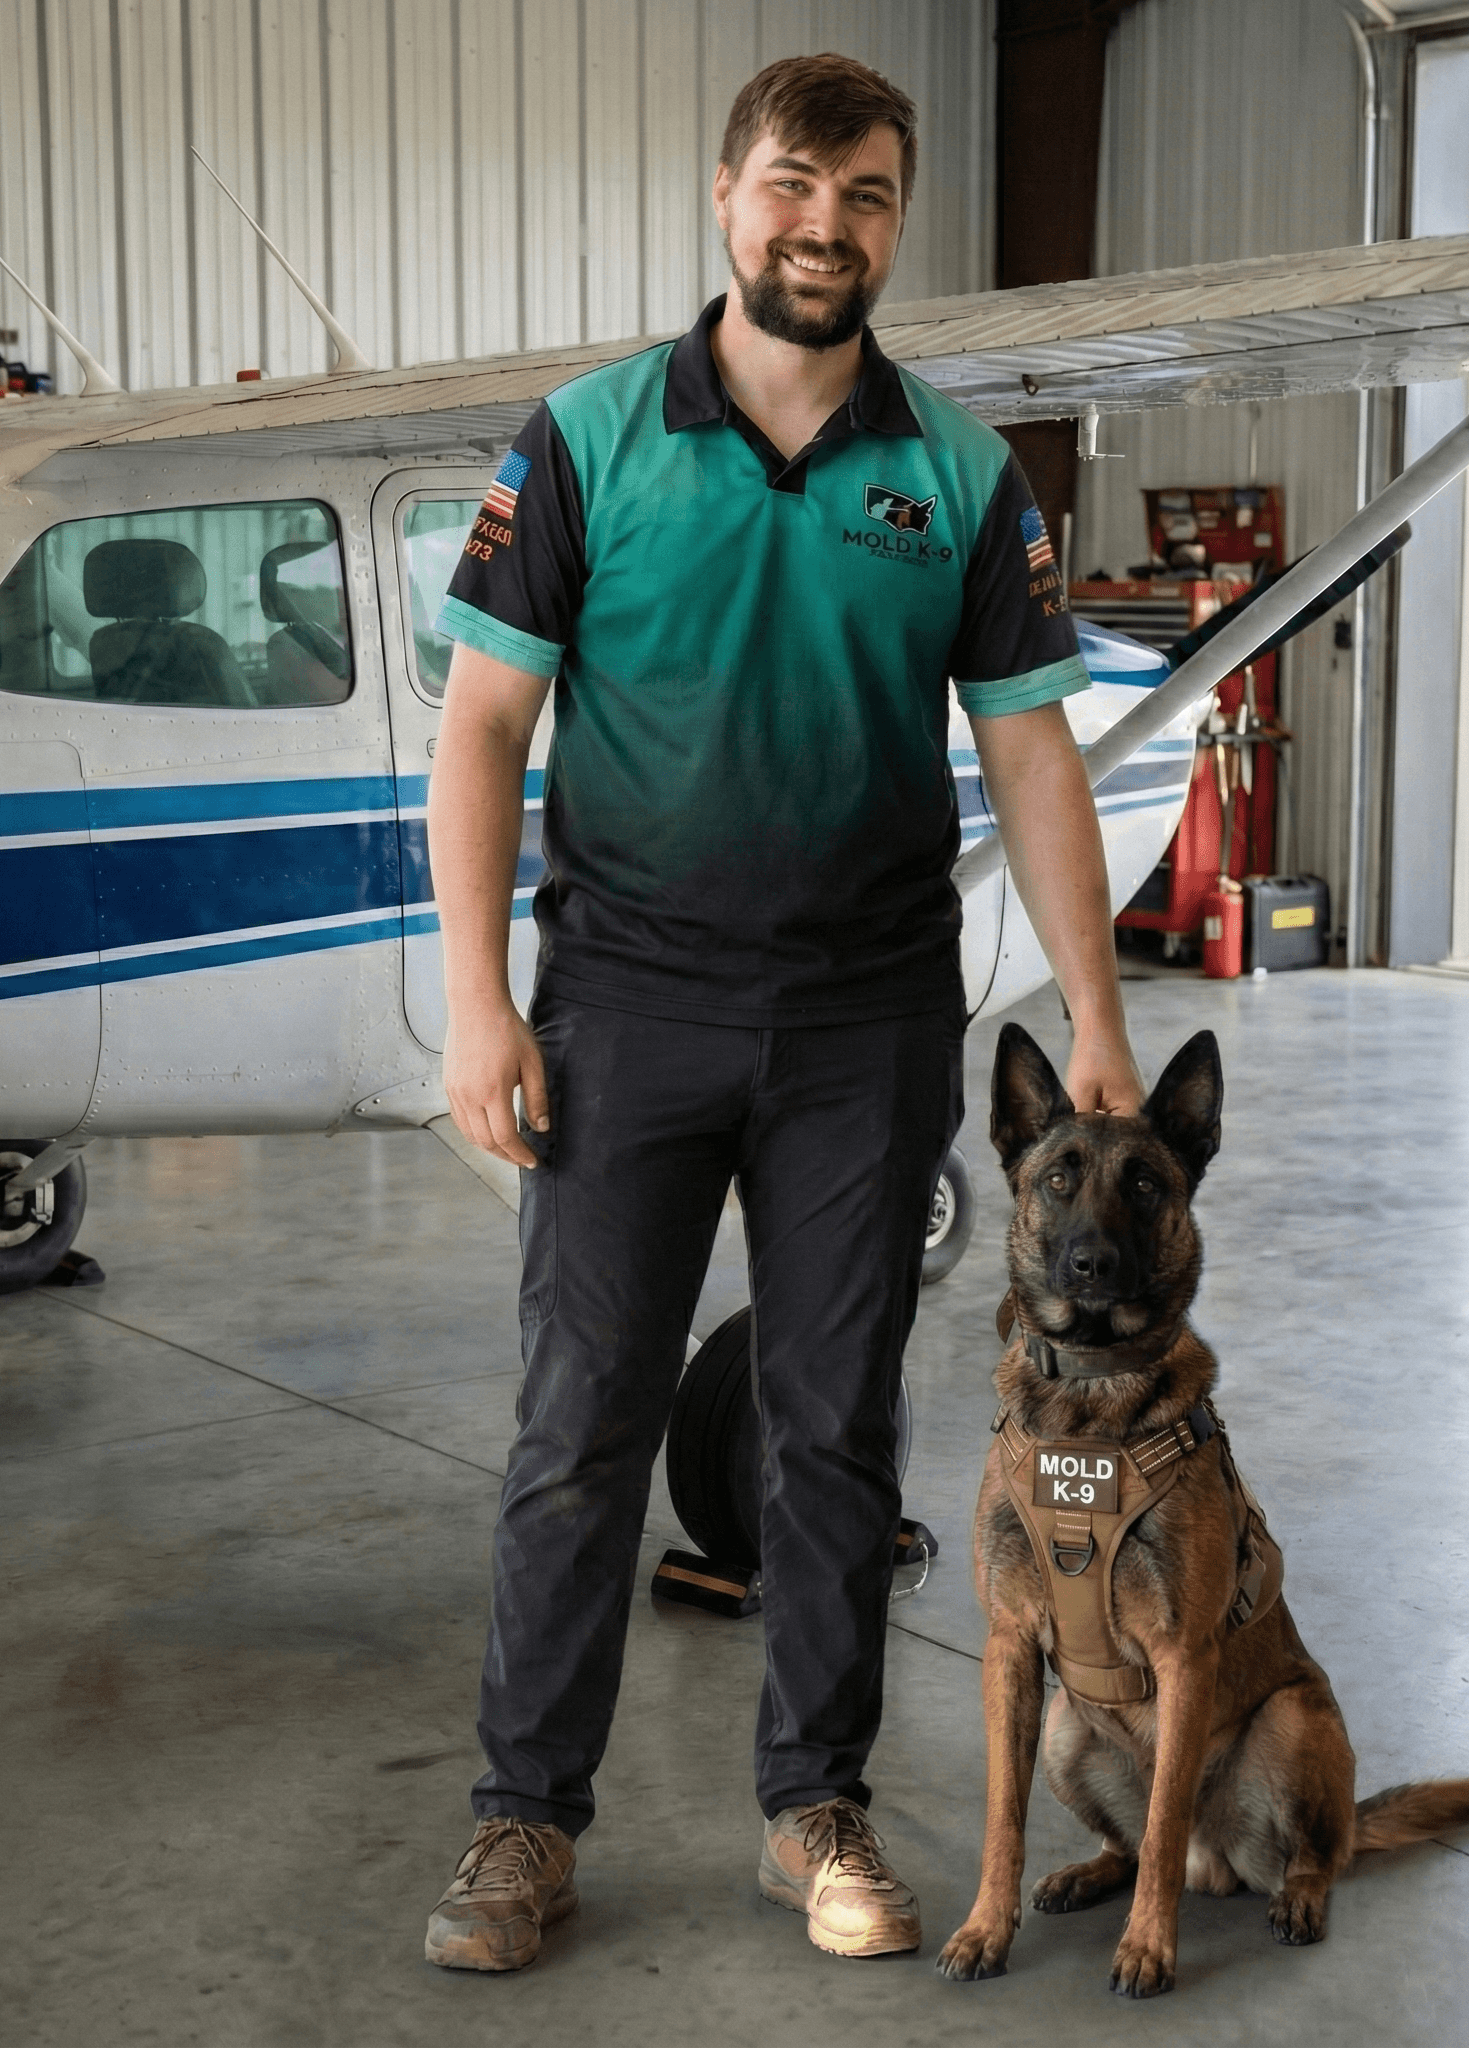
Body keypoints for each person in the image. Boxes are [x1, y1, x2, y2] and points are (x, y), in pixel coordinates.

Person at [422, 51, 1144, 1974]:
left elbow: (1034, 755)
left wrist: (1094, 1010)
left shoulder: (960, 475)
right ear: (726, 198)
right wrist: (480, 1005)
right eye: (794, 185)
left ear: (895, 224)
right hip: (627, 1012)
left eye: (870, 194)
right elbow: (485, 723)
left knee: (831, 1429)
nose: (827, 225)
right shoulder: (582, 440)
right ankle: (522, 1823)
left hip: (865, 1022)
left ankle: (813, 1801)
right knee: (580, 1425)